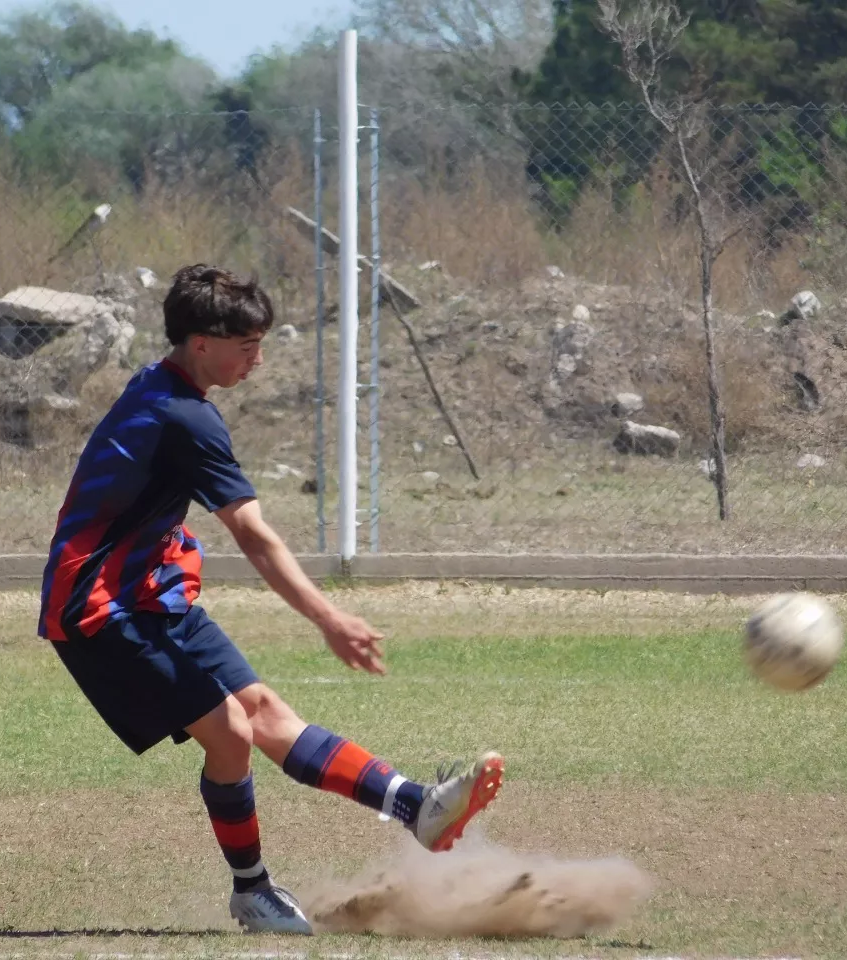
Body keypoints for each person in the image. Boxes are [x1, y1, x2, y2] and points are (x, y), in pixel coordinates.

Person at [38, 264, 504, 935]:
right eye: (247, 344)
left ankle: (416, 807)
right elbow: (253, 536)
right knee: (231, 732)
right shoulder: (185, 417)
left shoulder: (169, 388)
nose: (258, 357)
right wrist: (329, 616)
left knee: (262, 711)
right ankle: (252, 890)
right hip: (97, 609)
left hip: (151, 593)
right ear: (201, 342)